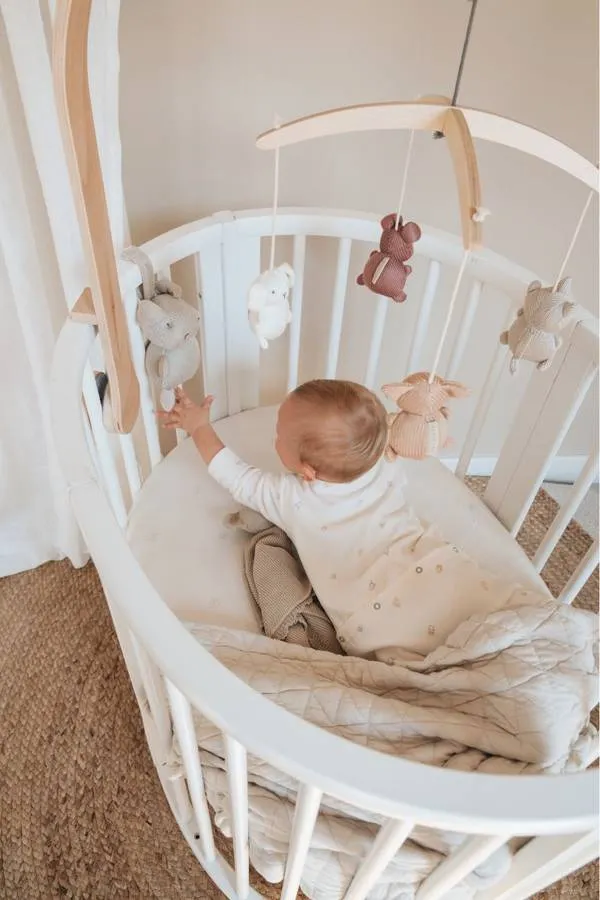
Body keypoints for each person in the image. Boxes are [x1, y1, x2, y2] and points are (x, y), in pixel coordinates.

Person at [158, 381, 533, 660]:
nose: (274, 437)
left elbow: (235, 476)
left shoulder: (292, 498)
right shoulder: (384, 464)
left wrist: (199, 427)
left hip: (376, 616)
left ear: (307, 471)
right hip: (435, 566)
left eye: (278, 434)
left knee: (427, 665)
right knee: (495, 611)